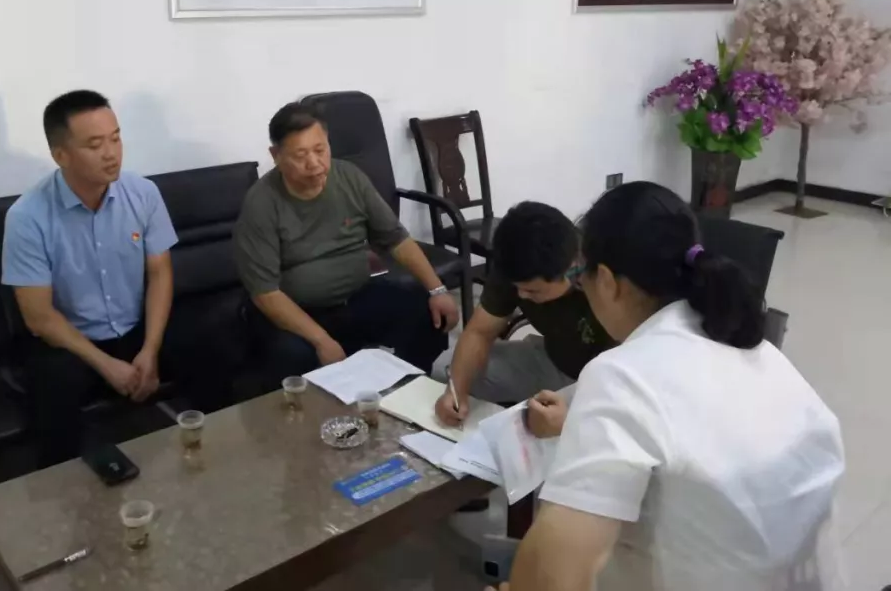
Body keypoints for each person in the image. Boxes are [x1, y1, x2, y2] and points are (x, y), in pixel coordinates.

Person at [501, 182, 845, 591]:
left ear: (607, 280)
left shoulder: (621, 375)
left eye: (582, 276)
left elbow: (556, 571)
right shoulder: (755, 348)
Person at [2, 91, 185, 467]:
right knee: (53, 383)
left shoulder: (143, 193)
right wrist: (106, 364)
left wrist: (150, 349)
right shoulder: (27, 217)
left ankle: (214, 454)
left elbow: (160, 272)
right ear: (61, 155)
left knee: (208, 343)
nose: (111, 153)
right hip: (72, 341)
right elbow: (39, 318)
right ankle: (63, 488)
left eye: (116, 139)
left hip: (134, 327)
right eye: (94, 144)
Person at [234, 102, 459, 387]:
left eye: (320, 150)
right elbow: (265, 292)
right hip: (296, 313)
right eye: (300, 155)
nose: (314, 163)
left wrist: (437, 289)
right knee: (295, 356)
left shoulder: (349, 178)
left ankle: (407, 390)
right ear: (276, 156)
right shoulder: (261, 203)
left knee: (423, 311)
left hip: (355, 297)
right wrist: (321, 340)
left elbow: (395, 238)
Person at [435, 202, 614, 426]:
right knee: (446, 369)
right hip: (552, 359)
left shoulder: (609, 282)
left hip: (602, 383)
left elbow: (631, 375)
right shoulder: (517, 263)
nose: (521, 296)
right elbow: (479, 332)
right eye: (518, 288)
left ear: (571, 270)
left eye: (532, 291)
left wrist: (570, 420)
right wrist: (456, 393)